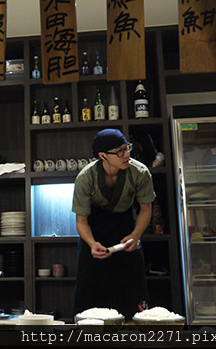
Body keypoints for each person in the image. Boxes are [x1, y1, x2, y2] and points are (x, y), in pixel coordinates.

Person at [72, 129, 156, 320]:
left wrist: (136, 235)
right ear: (103, 156)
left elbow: (145, 209)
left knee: (133, 287)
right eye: (119, 152)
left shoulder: (140, 172)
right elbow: (81, 220)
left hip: (126, 227)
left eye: (127, 148)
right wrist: (91, 243)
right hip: (94, 229)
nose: (126, 155)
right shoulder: (85, 178)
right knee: (89, 289)